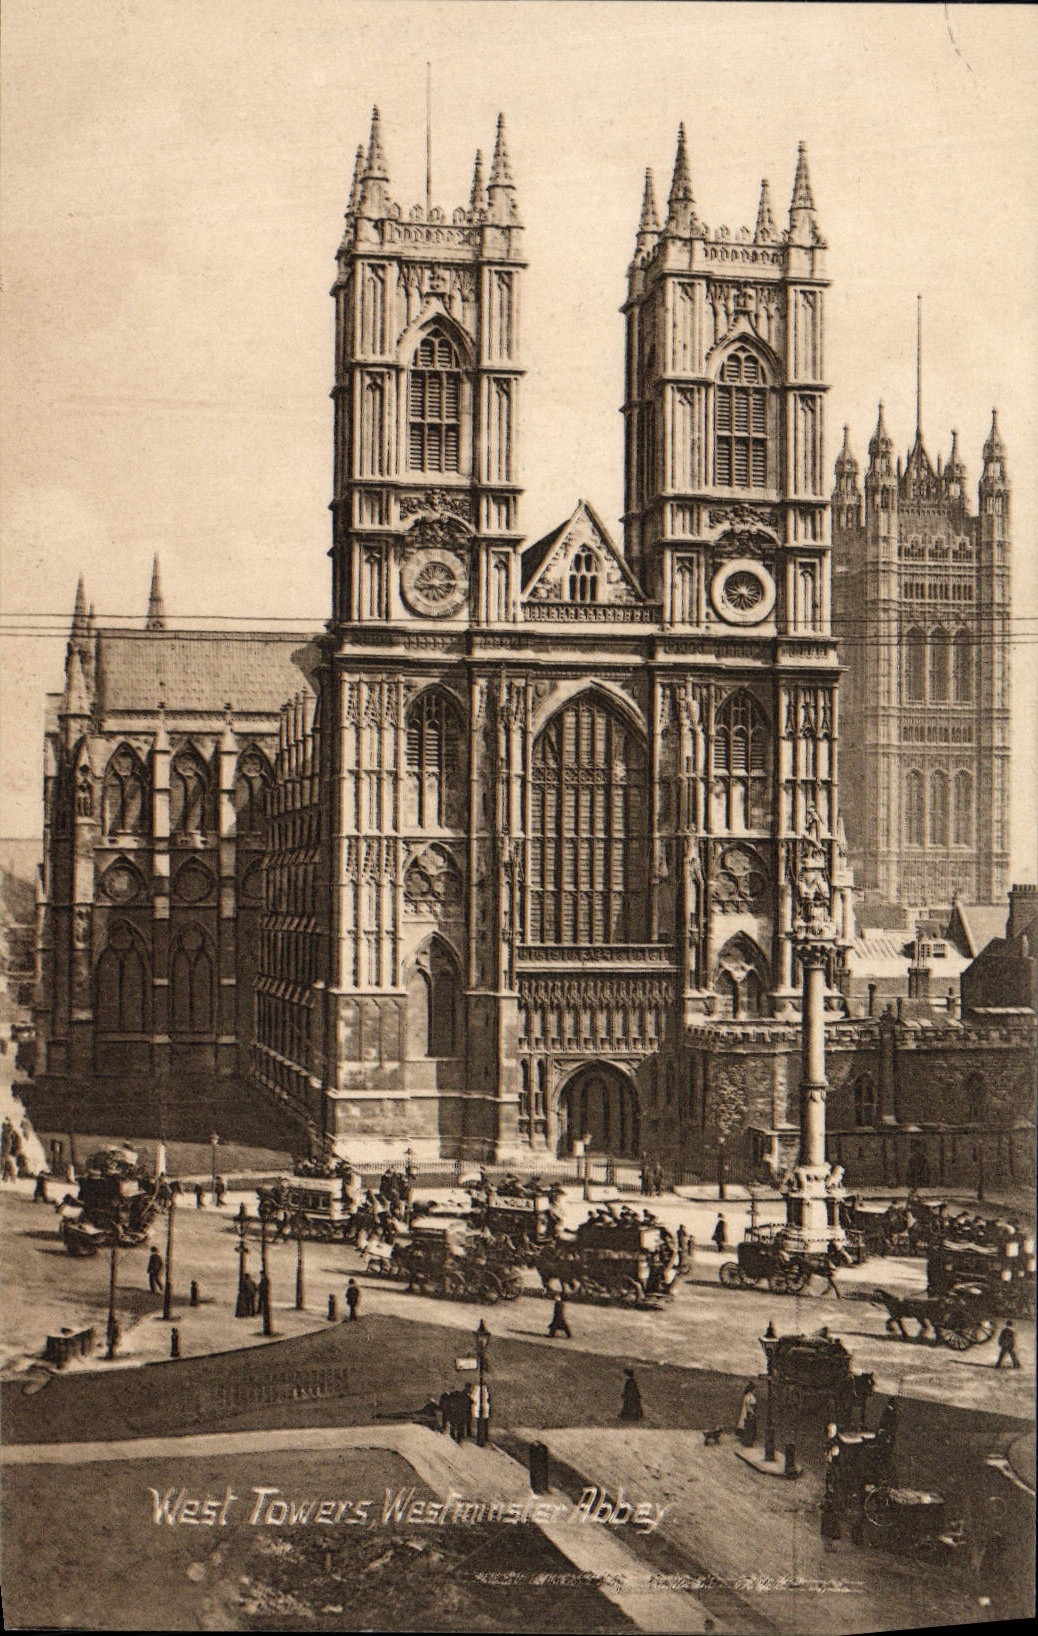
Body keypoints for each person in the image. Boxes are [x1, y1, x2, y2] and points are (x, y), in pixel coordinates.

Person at [737, 1382, 758, 1447]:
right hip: (748, 1412)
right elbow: (748, 1406)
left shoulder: (751, 1396)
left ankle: (749, 1438)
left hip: (751, 1411)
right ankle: (746, 1439)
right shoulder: (747, 1397)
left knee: (750, 1425)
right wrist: (752, 1412)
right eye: (754, 1389)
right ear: (751, 1390)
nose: (755, 1391)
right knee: (747, 1425)